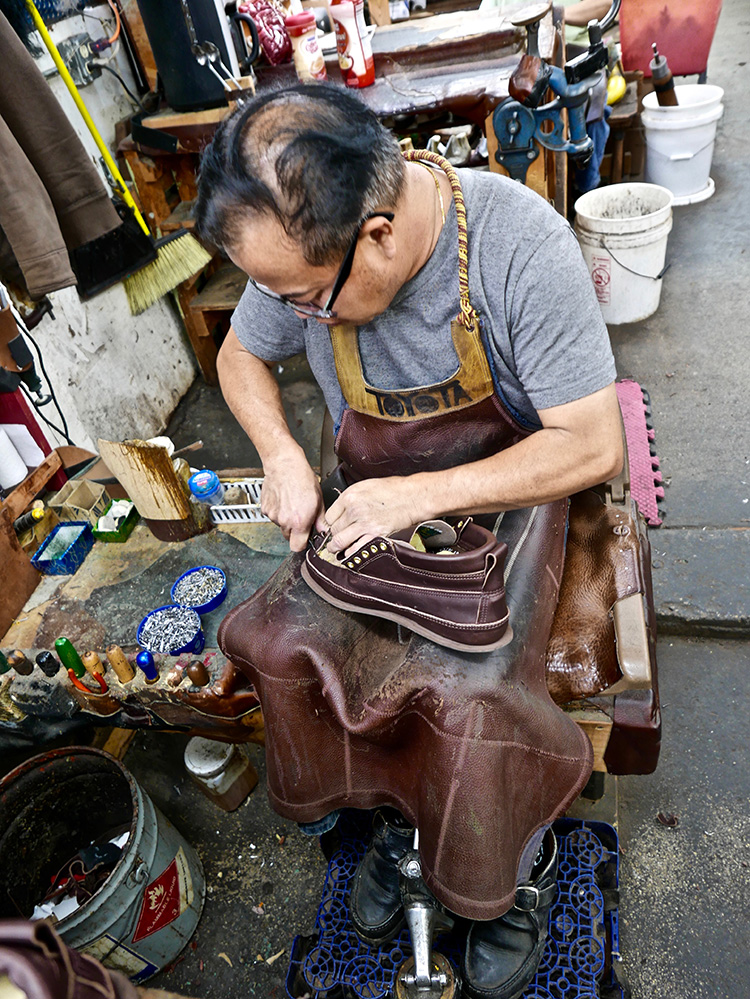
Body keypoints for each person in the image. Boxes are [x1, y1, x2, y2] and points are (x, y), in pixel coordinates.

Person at [195, 83, 622, 999]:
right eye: (282, 298)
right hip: (379, 505)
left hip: (515, 503)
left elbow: (590, 443)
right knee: (281, 642)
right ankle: (402, 826)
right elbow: (238, 355)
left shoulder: (517, 246)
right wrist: (279, 453)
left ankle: (505, 871)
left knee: (464, 692)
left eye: (309, 299)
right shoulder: (304, 257)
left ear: (378, 232)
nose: (297, 316)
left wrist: (419, 494)